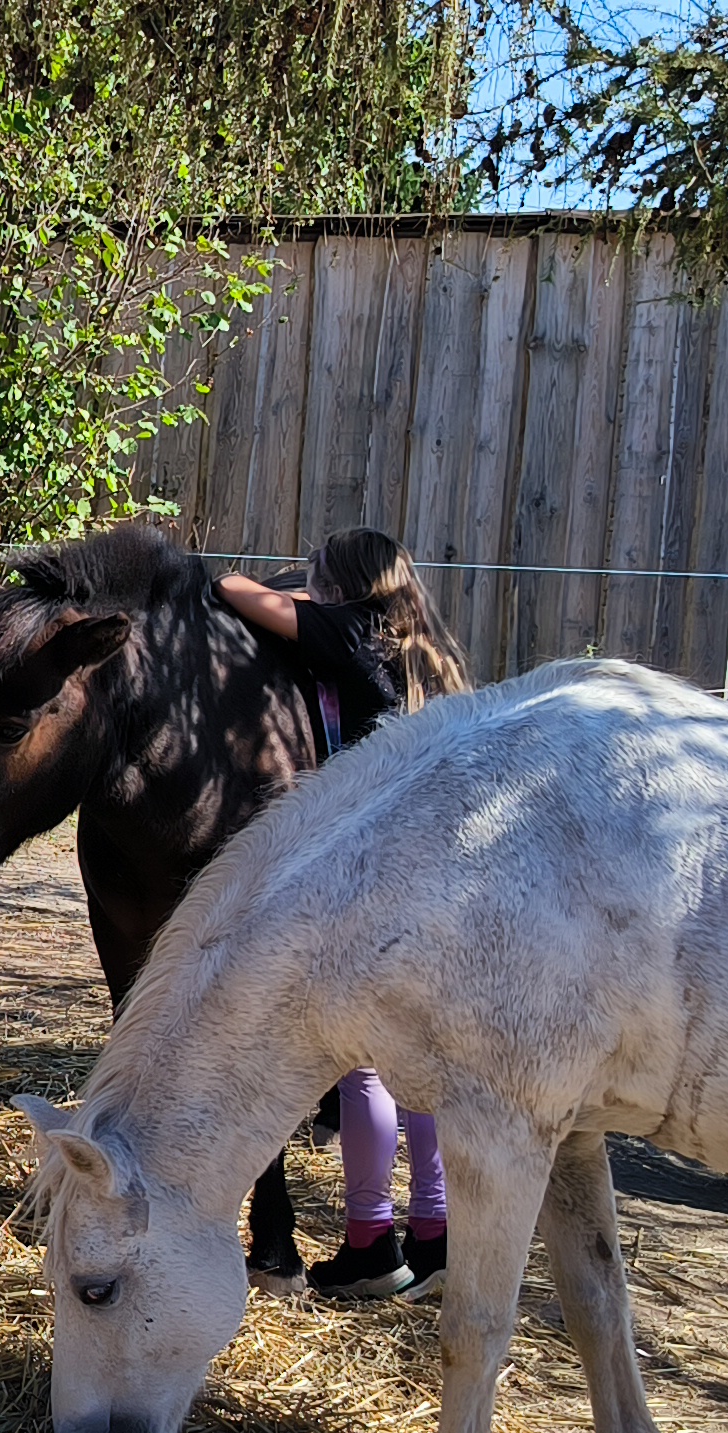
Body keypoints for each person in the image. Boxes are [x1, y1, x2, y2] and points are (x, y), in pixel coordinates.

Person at [210, 528, 472, 1300]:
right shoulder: (429, 646)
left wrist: (291, 592)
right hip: (444, 867)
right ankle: (436, 1236)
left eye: (318, 577)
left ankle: (368, 1241)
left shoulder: (346, 628)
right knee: (424, 1056)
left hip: (378, 868)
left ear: (341, 585)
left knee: (363, 1062)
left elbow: (228, 587)